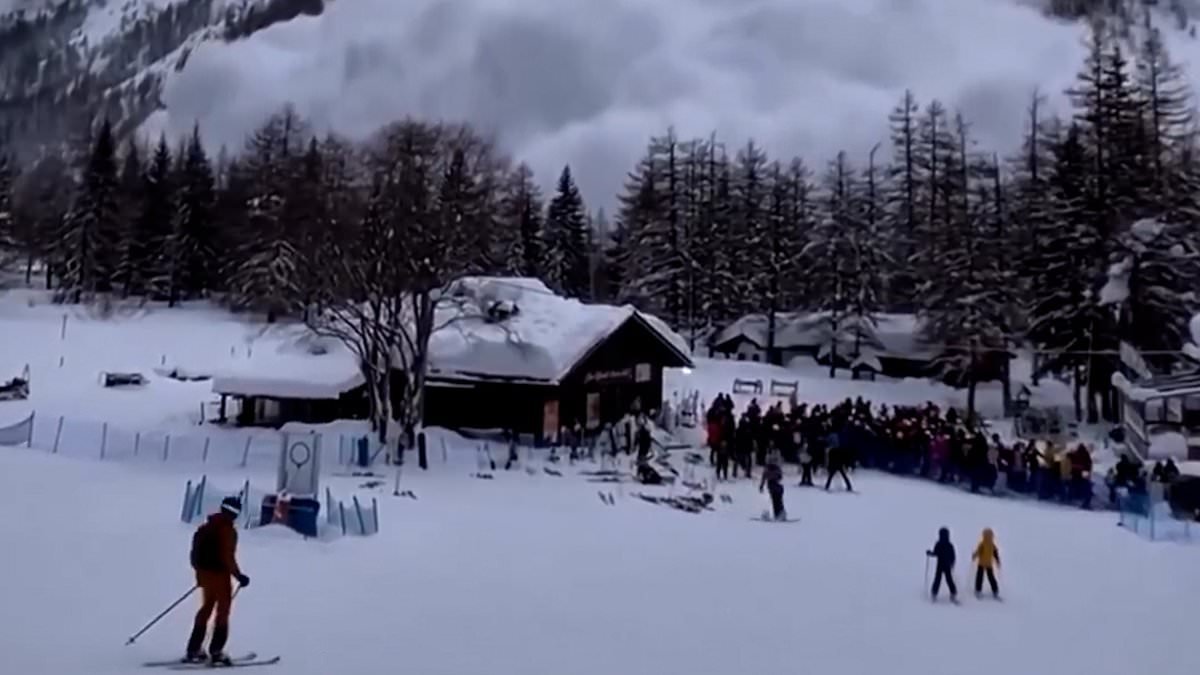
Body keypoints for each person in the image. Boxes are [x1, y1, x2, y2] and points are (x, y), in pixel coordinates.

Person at [186, 496, 251, 665]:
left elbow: (194, 554)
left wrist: (200, 574)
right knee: (223, 612)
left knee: (206, 608)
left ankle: (194, 649)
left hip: (204, 574)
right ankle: (216, 651)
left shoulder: (205, 528)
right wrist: (239, 576)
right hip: (220, 576)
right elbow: (227, 556)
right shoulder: (227, 531)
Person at [926, 527, 958, 603]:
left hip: (942, 565)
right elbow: (952, 556)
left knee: (940, 579)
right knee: (946, 579)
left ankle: (935, 593)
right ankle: (953, 592)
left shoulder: (940, 544)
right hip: (945, 565)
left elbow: (935, 553)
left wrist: (930, 553)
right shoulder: (948, 545)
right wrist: (952, 562)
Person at [971, 528, 1001, 599]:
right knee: (991, 577)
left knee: (979, 577)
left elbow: (978, 552)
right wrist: (998, 561)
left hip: (981, 564)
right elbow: (995, 554)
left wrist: (974, 556)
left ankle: (978, 590)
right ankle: (995, 590)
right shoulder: (992, 544)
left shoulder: (982, 544)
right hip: (989, 564)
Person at [759, 451, 786, 520]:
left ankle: (778, 514)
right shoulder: (776, 468)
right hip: (777, 487)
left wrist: (761, 486)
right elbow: (780, 477)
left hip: (773, 487)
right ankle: (779, 513)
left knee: (776, 501)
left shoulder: (768, 469)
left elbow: (764, 478)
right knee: (778, 501)